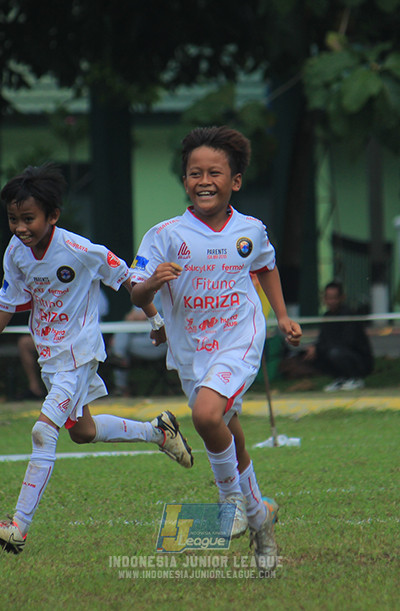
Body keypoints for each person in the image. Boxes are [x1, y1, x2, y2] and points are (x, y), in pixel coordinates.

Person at [0, 165, 194, 556]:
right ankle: (160, 432)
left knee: (42, 431)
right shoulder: (15, 253)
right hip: (50, 358)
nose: (19, 227)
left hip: (80, 354)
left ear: (53, 216)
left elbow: (127, 280)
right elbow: (7, 304)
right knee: (82, 431)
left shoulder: (81, 250)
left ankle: (18, 526)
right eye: (13, 219)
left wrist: (155, 319)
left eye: (28, 218)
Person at [129, 126, 303, 574]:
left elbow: (267, 267)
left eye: (214, 172)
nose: (204, 180)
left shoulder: (251, 230)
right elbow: (135, 291)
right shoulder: (164, 235)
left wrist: (281, 317)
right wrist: (151, 287)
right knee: (229, 432)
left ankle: (234, 506)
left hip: (239, 339)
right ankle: (261, 521)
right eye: (194, 173)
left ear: (235, 181)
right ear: (185, 181)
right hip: (191, 351)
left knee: (206, 417)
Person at [305, 281, 374, 392]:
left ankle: (355, 378)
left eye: (334, 298)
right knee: (314, 354)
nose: (331, 301)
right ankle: (340, 378)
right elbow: (323, 339)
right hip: (335, 350)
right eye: (328, 298)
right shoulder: (327, 316)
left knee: (335, 353)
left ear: (342, 298)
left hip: (357, 358)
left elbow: (348, 341)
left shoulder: (348, 316)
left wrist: (323, 346)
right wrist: (314, 348)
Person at [107, 301, 168, 396]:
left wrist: (136, 317)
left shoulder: (161, 294)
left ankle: (121, 386)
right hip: (139, 338)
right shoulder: (142, 291)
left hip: (158, 342)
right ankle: (118, 357)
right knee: (123, 332)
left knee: (121, 346)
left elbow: (141, 316)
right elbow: (130, 317)